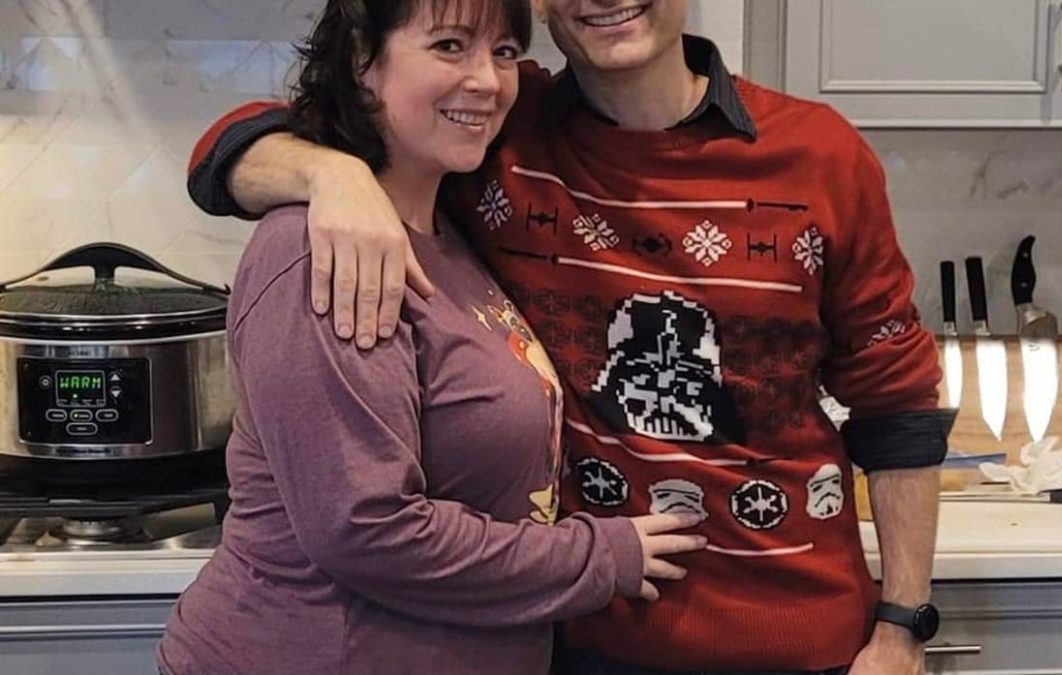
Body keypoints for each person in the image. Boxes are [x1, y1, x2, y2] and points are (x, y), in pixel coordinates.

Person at [185, 1, 958, 674]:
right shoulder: (504, 133)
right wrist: (329, 175)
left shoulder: (819, 155)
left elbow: (897, 403)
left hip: (795, 637)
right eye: (455, 46)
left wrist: (902, 626)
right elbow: (222, 149)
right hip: (584, 636)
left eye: (496, 50)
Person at [158, 2, 708, 674]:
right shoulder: (325, 253)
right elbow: (366, 529)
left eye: (504, 52)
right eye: (450, 45)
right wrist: (599, 555)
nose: (487, 80)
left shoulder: (450, 231)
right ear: (361, 59)